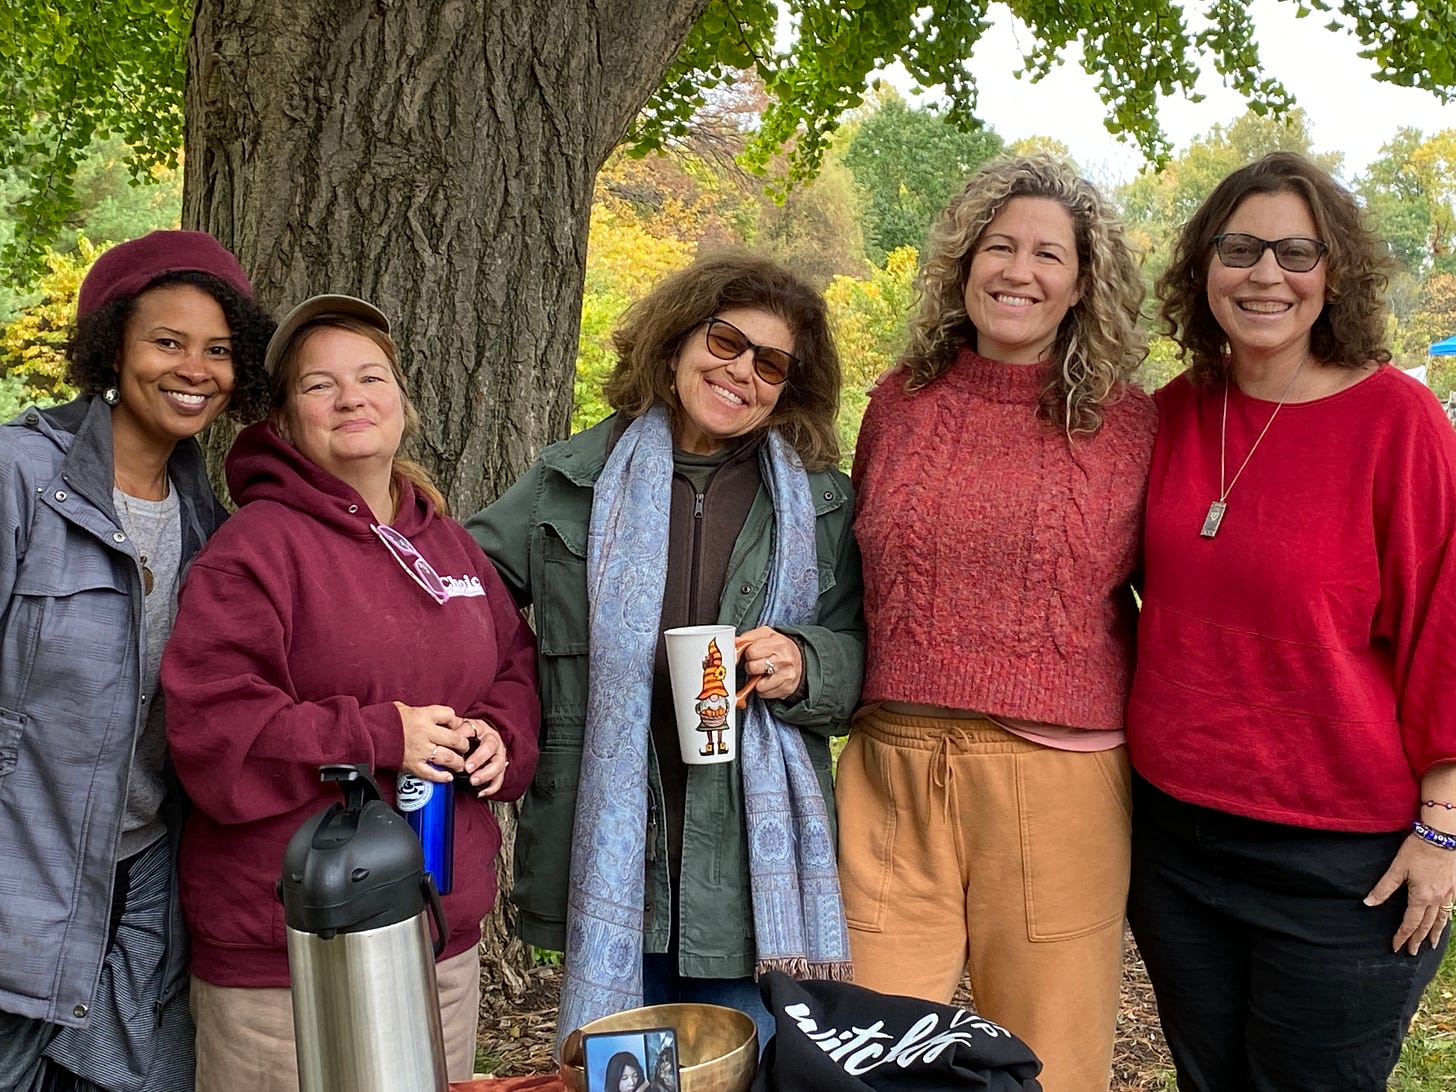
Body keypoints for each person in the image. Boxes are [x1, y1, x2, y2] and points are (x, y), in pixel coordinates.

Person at [467, 253, 864, 1049]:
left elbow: (864, 650)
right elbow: (462, 597)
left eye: (772, 362)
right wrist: (502, 707)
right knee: (622, 1064)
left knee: (740, 1065)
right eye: (726, 340)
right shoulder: (571, 479)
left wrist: (806, 662)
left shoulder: (821, 503)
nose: (741, 370)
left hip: (749, 868)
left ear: (789, 387)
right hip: (609, 841)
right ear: (678, 340)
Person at [1126, 151, 1456, 1091]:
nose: (1266, 274)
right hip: (1177, 842)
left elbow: (1447, 628)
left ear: (1334, 273)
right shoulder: (1174, 416)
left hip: (1342, 864)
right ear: (1203, 269)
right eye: (1239, 248)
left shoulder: (1399, 422)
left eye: (1296, 252)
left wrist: (1444, 829)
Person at [160, 295, 540, 1089]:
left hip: (437, 932)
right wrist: (375, 736)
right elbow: (213, 730)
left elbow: (513, 663)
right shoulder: (256, 550)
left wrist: (500, 735)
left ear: (401, 401)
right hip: (292, 949)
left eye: (371, 377)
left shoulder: (445, 539)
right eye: (320, 386)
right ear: (285, 420)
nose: (351, 398)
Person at [837, 154, 1157, 1092]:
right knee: (866, 1059)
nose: (1020, 270)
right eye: (1000, 246)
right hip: (891, 772)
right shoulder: (898, 403)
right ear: (964, 262)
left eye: (1049, 255)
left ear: (1082, 284)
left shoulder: (1129, 422)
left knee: (1050, 1061)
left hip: (1055, 780)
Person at [0, 231, 273, 1092]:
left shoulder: (214, 527)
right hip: (22, 881)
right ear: (112, 344)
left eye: (219, 350)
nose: (194, 368)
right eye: (167, 341)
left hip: (140, 883)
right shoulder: (19, 477)